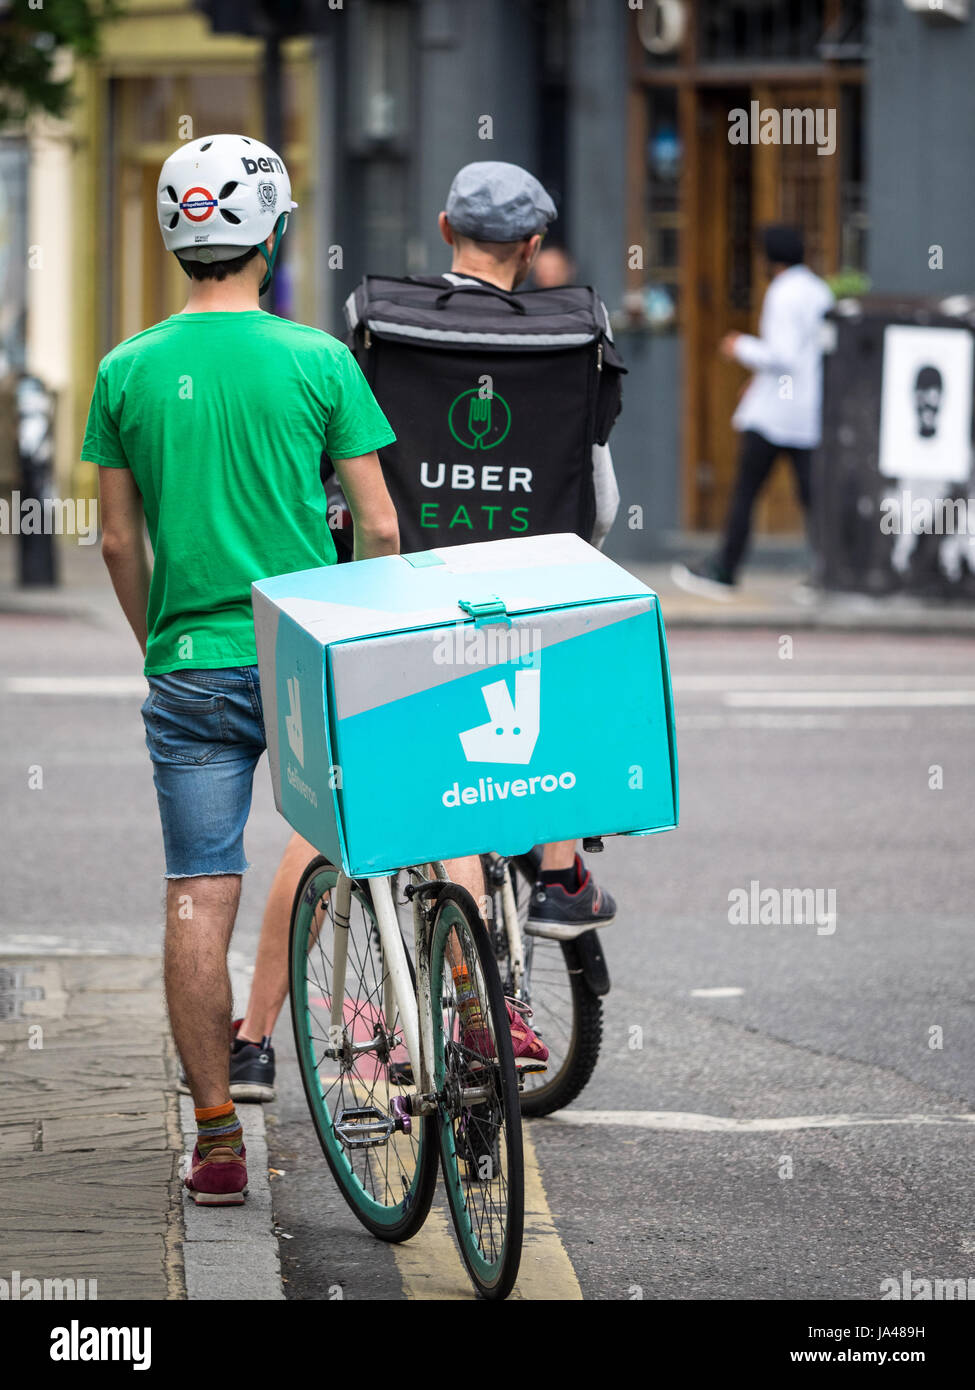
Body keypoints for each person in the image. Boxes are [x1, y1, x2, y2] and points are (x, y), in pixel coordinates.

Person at [231, 163, 619, 1101]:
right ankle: (552, 894)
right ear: (531, 248)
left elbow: (344, 485)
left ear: (444, 227)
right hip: (519, 604)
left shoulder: (381, 331)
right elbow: (596, 502)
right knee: (521, 753)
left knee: (325, 824)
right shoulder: (572, 340)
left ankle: (250, 1041)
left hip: (399, 599)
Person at [83, 133, 401, 1204]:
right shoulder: (318, 360)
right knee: (363, 849)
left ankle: (217, 1139)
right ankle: (387, 1055)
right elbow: (384, 524)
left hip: (189, 663)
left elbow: (119, 543)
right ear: (273, 233)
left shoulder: (124, 370)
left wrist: (160, 639)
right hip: (307, 646)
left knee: (195, 893)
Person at [672, 224, 834, 599]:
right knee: (813, 494)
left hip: (775, 414)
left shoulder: (782, 292)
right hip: (807, 410)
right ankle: (828, 574)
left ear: (771, 259)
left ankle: (724, 570)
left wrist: (740, 345)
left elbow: (782, 355)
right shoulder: (818, 290)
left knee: (746, 490)